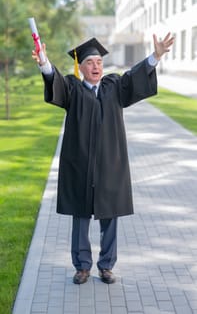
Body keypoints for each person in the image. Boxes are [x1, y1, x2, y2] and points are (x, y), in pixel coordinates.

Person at [32, 33, 174, 285]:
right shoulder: (72, 89)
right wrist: (43, 60)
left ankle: (106, 266)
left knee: (110, 215)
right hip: (80, 164)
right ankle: (82, 267)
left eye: (99, 61)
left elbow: (135, 77)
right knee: (80, 215)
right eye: (89, 62)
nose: (96, 66)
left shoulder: (114, 87)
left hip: (110, 164)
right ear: (81, 67)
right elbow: (53, 80)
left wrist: (156, 56)